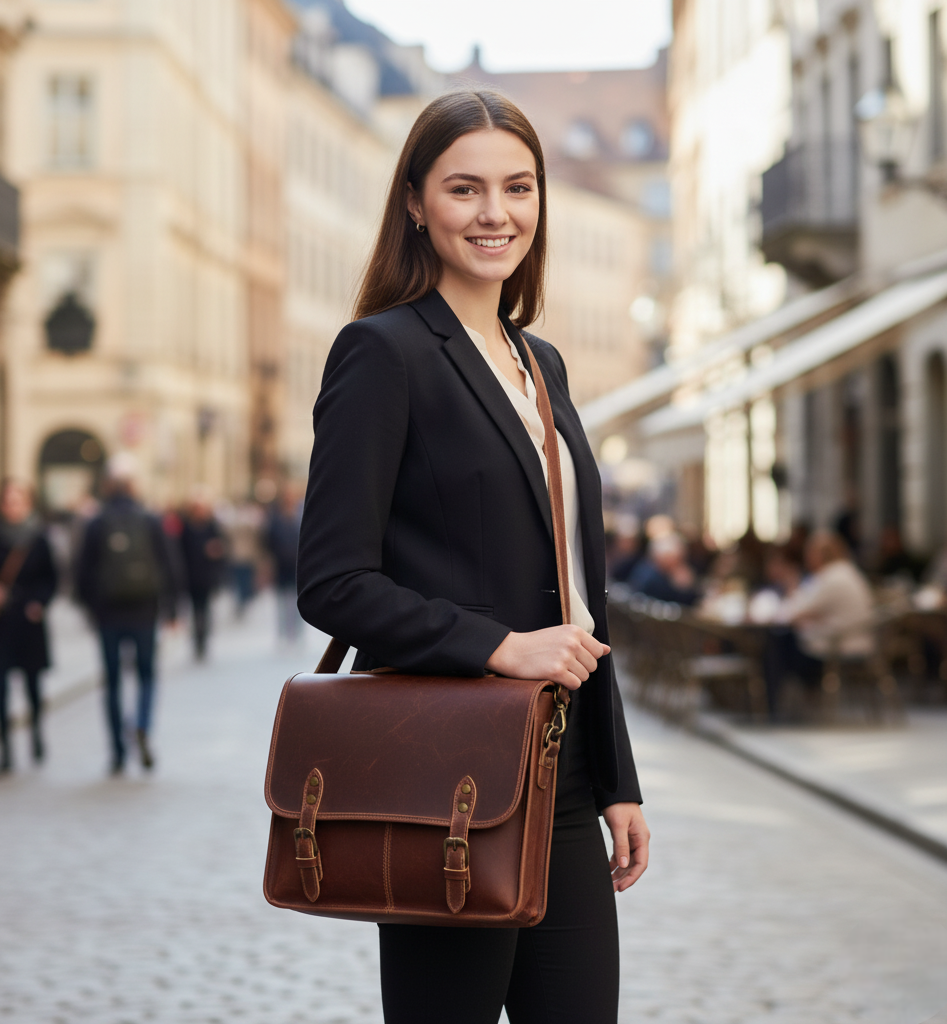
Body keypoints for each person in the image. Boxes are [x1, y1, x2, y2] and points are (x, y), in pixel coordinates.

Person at [295, 91, 648, 1024]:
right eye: (465, 188)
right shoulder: (383, 353)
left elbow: (579, 588)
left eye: (518, 188)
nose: (497, 213)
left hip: (565, 775)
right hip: (449, 772)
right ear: (416, 202)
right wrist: (500, 645)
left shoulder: (544, 364)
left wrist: (618, 780)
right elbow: (332, 582)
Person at [76, 455, 177, 774]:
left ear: (107, 485)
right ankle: (143, 725)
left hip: (108, 613)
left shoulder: (96, 522)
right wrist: (171, 608)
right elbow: (169, 565)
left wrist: (90, 608)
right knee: (146, 674)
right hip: (145, 609)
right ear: (133, 486)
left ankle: (117, 751)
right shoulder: (149, 519)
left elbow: (81, 571)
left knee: (113, 680)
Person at [0, 479, 58, 776]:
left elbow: (52, 579)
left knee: (33, 685)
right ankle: (5, 750)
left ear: (28, 504)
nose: (11, 506)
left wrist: (39, 603)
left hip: (28, 621)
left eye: (17, 501)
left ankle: (35, 730)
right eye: (7, 501)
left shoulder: (40, 540)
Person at [763, 530, 874, 719]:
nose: (807, 559)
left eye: (810, 554)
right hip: (846, 638)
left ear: (819, 555)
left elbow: (794, 613)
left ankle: (769, 708)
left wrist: (792, 588)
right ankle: (781, 704)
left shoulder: (832, 578)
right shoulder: (846, 572)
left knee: (775, 644)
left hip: (837, 644)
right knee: (782, 641)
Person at [178, 492, 227, 659]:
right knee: (195, 609)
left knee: (204, 609)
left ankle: (203, 639)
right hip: (191, 575)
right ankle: (197, 639)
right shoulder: (185, 527)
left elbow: (221, 547)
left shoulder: (211, 526)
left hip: (207, 576)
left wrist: (215, 552)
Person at [266, 483, 302, 644]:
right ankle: (283, 634)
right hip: (280, 565)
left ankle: (296, 633)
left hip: (298, 565)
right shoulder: (275, 518)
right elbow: (268, 541)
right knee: (281, 601)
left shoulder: (301, 515)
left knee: (298, 601)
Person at [627, 532, 699, 605]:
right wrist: (685, 588)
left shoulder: (646, 568)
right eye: (678, 558)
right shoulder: (652, 577)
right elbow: (677, 600)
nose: (680, 562)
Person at [222, 499, 262, 617]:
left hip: (247, 558)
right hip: (237, 558)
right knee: (239, 582)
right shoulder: (235, 525)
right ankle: (241, 601)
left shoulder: (251, 525)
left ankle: (243, 601)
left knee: (245, 582)